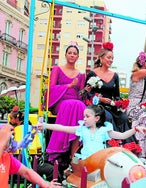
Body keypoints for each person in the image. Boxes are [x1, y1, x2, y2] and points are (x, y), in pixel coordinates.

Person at [37, 105, 146, 160]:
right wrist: (45, 125)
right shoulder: (82, 129)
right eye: (83, 116)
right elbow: (62, 127)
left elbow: (122, 135)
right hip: (86, 161)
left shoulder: (105, 130)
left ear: (97, 118)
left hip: (100, 161)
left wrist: (136, 129)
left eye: (87, 116)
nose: (84, 119)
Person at [46, 41, 86, 172]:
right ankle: (60, 148)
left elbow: (80, 95)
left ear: (78, 57)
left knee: (80, 105)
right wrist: (67, 86)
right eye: (70, 53)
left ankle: (74, 154)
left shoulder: (81, 75)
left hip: (75, 102)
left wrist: (86, 90)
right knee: (72, 105)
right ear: (65, 55)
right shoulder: (57, 69)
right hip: (60, 101)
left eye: (75, 53)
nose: (72, 55)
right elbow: (51, 89)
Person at [84, 42, 135, 143]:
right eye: (108, 57)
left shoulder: (115, 75)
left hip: (110, 105)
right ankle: (111, 143)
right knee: (108, 116)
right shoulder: (92, 73)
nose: (111, 60)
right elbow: (87, 92)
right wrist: (100, 99)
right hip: (96, 105)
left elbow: (117, 95)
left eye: (112, 58)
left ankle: (125, 145)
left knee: (124, 117)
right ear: (101, 58)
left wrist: (118, 103)